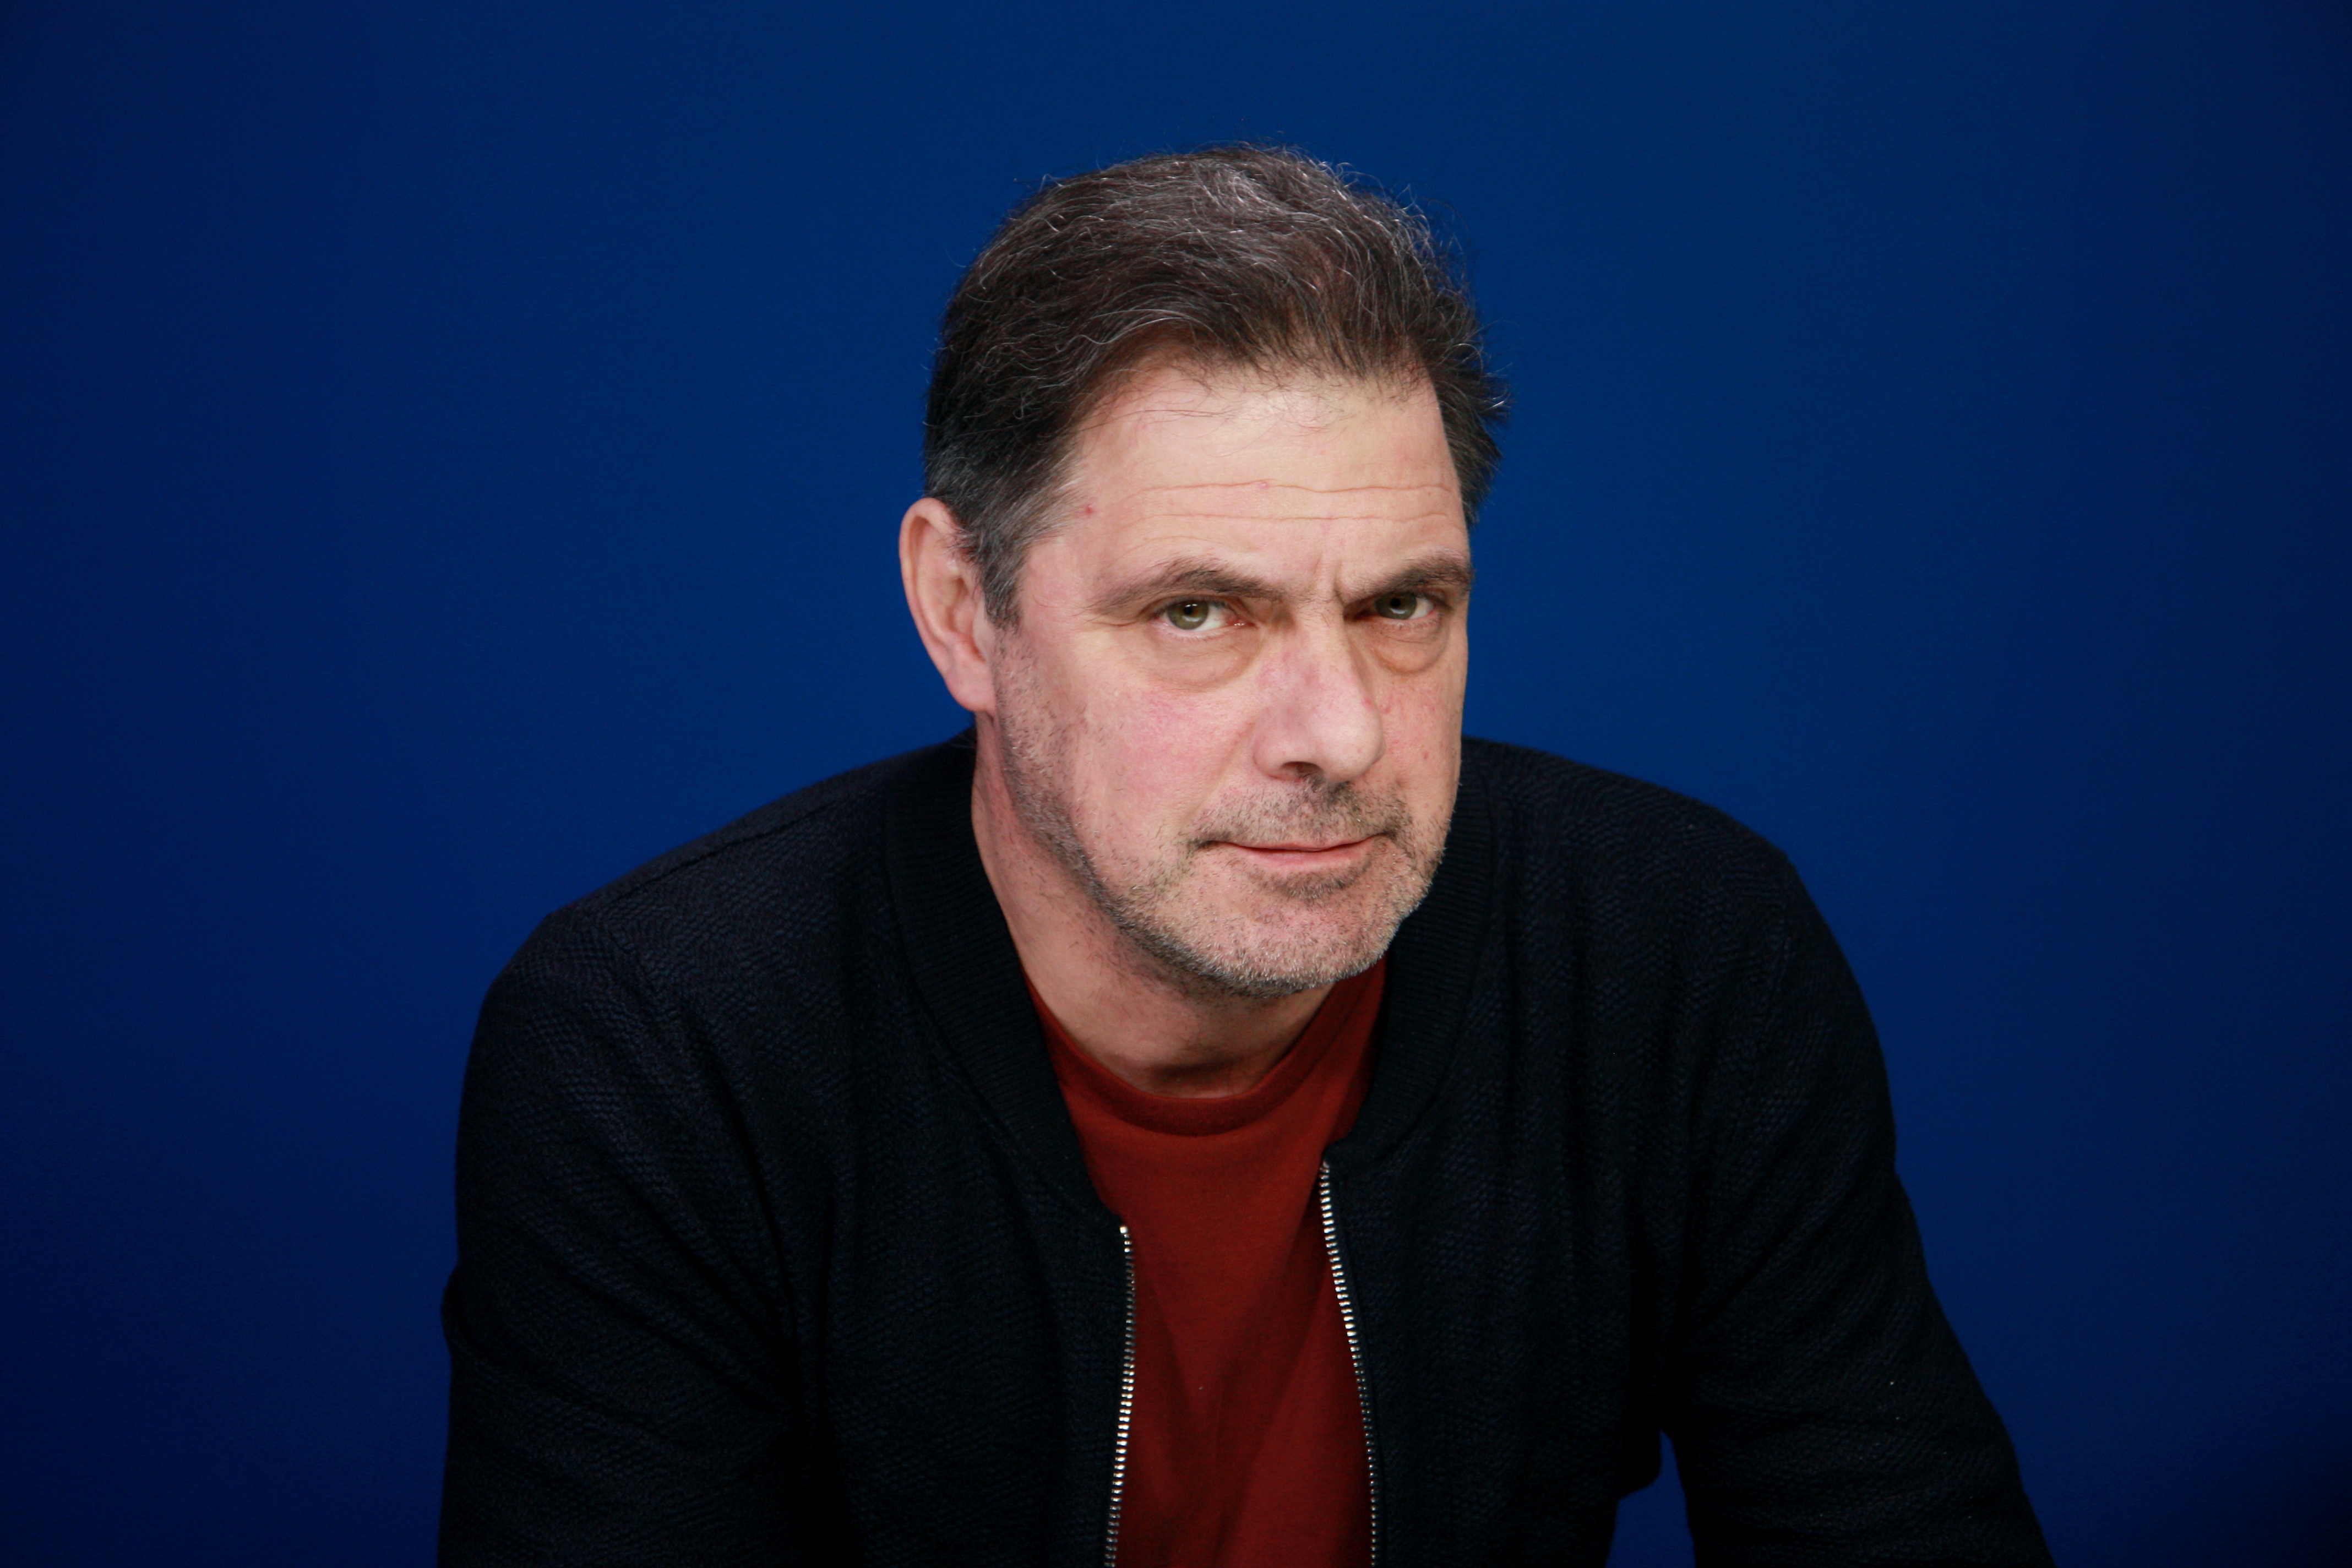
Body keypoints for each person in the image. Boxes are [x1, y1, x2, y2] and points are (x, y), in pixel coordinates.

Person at [439, 145, 2052, 1567]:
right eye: (1199, 613)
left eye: (1402, 606)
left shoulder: (1680, 959)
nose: (1338, 735)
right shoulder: (665, 1046)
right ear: (962, 613)